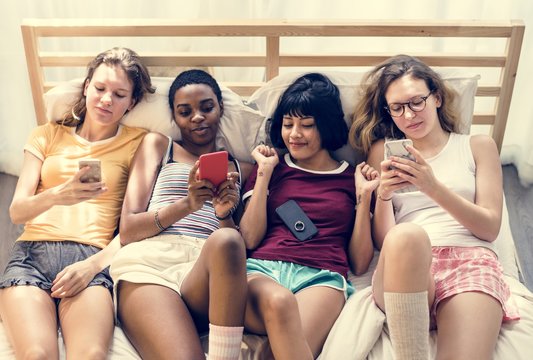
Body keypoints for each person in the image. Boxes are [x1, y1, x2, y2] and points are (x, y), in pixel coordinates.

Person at [350, 54, 520, 360]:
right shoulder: (381, 151)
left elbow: (490, 227)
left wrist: (432, 187)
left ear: (437, 98)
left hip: (469, 261)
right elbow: (383, 241)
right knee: (407, 236)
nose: (409, 116)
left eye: (417, 102)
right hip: (405, 264)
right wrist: (384, 196)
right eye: (397, 108)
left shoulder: (477, 146)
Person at [0, 47, 154, 359]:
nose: (106, 100)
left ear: (132, 103)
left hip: (90, 257)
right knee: (36, 354)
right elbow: (17, 211)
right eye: (99, 88)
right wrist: (59, 194)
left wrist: (91, 267)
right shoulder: (47, 134)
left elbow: (136, 225)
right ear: (86, 88)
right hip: (31, 255)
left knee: (91, 354)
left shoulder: (139, 141)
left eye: (119, 94)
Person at [110, 69, 249, 360]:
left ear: (220, 108)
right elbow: (129, 229)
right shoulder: (159, 145)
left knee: (228, 240)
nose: (197, 117)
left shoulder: (239, 167)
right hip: (151, 265)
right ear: (175, 117)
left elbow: (245, 246)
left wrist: (224, 214)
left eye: (206, 107)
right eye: (185, 112)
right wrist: (186, 205)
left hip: (204, 268)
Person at [239, 72, 377, 359]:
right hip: (263, 270)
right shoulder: (270, 167)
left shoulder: (352, 179)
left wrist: (364, 199)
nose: (294, 134)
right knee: (279, 303)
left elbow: (361, 263)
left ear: (325, 126)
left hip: (321, 277)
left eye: (307, 125)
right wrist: (263, 174)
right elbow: (249, 238)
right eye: (288, 124)